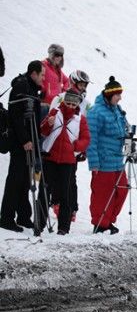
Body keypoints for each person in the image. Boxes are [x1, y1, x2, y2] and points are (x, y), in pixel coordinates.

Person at [0, 61, 47, 233]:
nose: (43, 78)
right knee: (15, 179)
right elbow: (16, 117)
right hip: (20, 142)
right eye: (42, 74)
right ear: (33, 73)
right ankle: (6, 218)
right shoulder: (21, 86)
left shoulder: (31, 88)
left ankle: (23, 216)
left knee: (26, 180)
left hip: (29, 141)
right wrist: (25, 140)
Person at [39, 90, 90, 235]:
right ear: (64, 102)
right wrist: (48, 124)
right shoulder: (54, 112)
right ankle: (40, 223)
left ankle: (63, 228)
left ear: (77, 104)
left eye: (74, 104)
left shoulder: (80, 119)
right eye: (68, 103)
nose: (70, 106)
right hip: (50, 157)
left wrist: (76, 146)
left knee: (65, 195)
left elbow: (86, 139)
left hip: (68, 161)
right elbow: (43, 131)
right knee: (44, 192)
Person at [86, 76, 129, 234]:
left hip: (118, 160)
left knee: (122, 189)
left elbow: (125, 129)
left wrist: (129, 139)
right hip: (103, 161)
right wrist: (94, 163)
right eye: (117, 95)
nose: (120, 98)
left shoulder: (118, 110)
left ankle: (109, 220)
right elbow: (91, 139)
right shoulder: (96, 112)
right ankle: (100, 224)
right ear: (109, 95)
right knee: (103, 194)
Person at [49, 69, 91, 223]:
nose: (83, 88)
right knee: (56, 177)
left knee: (71, 178)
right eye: (81, 84)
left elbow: (87, 126)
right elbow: (51, 117)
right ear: (73, 83)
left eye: (85, 85)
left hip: (73, 147)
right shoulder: (59, 98)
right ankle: (56, 202)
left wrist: (83, 148)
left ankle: (72, 207)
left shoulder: (86, 104)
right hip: (57, 144)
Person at [40, 44, 70, 118]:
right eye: (57, 55)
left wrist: (63, 93)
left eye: (61, 55)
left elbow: (67, 81)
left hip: (55, 105)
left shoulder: (58, 70)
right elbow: (33, 76)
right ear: (51, 54)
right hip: (44, 105)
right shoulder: (43, 65)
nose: (59, 57)